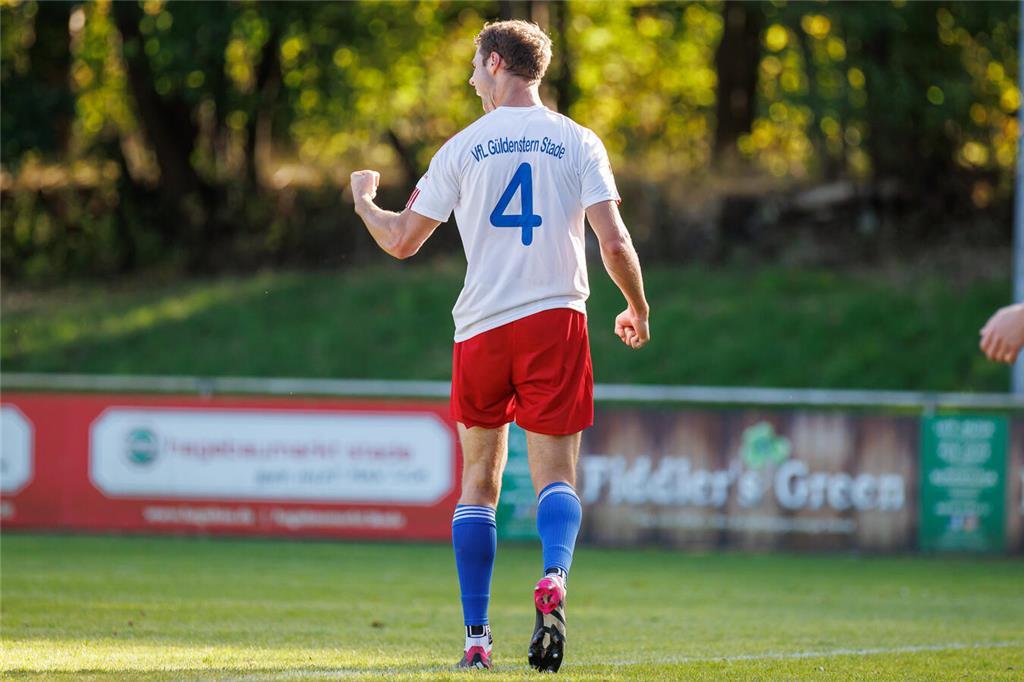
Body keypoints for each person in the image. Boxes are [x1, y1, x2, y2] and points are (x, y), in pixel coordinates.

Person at [349, 19, 649, 673]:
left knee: (478, 485)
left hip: (481, 327)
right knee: (556, 478)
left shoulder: (462, 148)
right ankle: (553, 577)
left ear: (493, 63)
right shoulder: (577, 141)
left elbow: (402, 240)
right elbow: (615, 242)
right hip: (555, 319)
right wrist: (636, 305)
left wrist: (366, 202)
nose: (468, 80)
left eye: (472, 68)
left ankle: (478, 639)